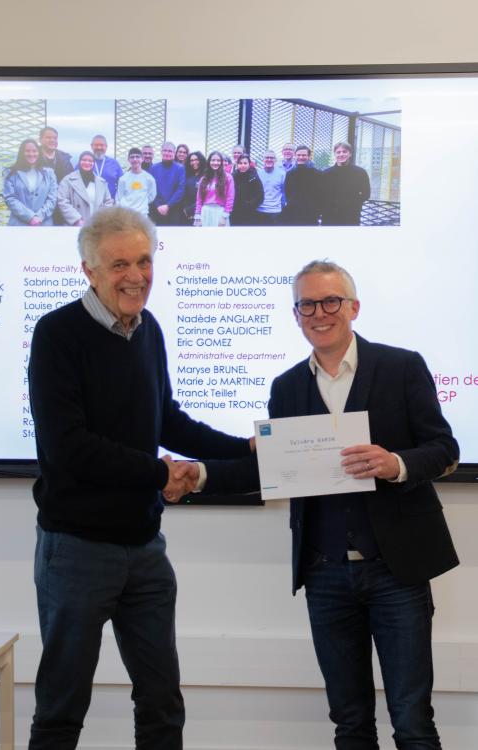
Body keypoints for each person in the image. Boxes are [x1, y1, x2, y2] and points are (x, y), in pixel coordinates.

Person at [191, 259, 460, 750]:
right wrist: (199, 475)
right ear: (296, 315)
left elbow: (445, 449)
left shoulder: (402, 367)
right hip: (325, 574)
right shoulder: (286, 387)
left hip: (397, 570)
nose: (319, 313)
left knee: (412, 721)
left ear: (353, 307)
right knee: (349, 722)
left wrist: (395, 463)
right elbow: (267, 467)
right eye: (307, 305)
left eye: (331, 301)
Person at [27, 206, 253, 750]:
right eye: (120, 265)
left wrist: (244, 451)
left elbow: (166, 418)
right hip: (77, 550)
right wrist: (158, 472)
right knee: (61, 708)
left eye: (145, 261)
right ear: (89, 271)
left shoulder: (148, 328)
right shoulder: (57, 334)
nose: (136, 276)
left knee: (162, 704)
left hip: (145, 549)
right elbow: (69, 447)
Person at [3, 139, 57, 226]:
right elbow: (10, 198)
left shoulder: (49, 173)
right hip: (19, 224)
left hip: (43, 223)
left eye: (34, 151)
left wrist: (39, 217)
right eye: (27, 151)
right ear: (22, 153)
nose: (31, 154)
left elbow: (52, 199)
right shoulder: (10, 173)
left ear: (39, 153)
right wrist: (30, 217)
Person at [321, 141, 371, 225]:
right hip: (330, 216)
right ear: (335, 154)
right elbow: (321, 194)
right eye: (338, 152)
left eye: (344, 151)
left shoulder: (360, 173)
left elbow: (366, 193)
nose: (341, 154)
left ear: (350, 154)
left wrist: (354, 205)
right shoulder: (326, 173)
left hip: (351, 215)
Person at [57, 151, 113, 226]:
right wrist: (76, 220)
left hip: (96, 225)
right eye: (84, 160)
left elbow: (108, 202)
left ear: (94, 163)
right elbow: (62, 201)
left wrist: (101, 219)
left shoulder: (101, 182)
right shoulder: (67, 180)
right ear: (79, 162)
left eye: (90, 161)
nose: (87, 163)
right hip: (74, 225)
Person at [37, 126, 74, 225]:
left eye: (55, 138)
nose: (52, 140)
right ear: (40, 140)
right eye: (48, 137)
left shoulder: (65, 159)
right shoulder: (33, 157)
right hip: (39, 208)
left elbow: (72, 181)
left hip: (60, 207)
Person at [194, 150, 234, 226]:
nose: (215, 163)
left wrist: (224, 216)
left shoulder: (228, 178)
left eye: (218, 160)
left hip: (220, 212)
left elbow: (230, 198)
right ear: (209, 162)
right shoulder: (204, 179)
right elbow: (199, 199)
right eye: (213, 160)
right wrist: (198, 216)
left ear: (221, 162)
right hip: (205, 212)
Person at [283, 145, 321, 225]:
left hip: (310, 214)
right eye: (299, 155)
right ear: (295, 156)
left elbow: (319, 194)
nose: (301, 157)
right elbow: (287, 193)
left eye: (304, 155)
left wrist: (317, 212)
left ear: (309, 156)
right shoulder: (290, 174)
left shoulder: (317, 174)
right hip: (293, 213)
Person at [150, 142, 185, 225]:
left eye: (170, 151)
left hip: (174, 209)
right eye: (165, 150)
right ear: (161, 152)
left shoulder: (180, 168)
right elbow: (151, 189)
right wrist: (158, 205)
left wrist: (168, 205)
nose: (167, 153)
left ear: (174, 153)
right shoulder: (153, 168)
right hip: (157, 209)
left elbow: (180, 189)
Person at [116, 147, 157, 216]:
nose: (135, 159)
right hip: (126, 215)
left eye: (137, 157)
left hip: (142, 215)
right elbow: (119, 197)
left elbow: (152, 196)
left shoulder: (149, 179)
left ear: (142, 159)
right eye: (132, 157)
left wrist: (142, 203)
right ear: (128, 160)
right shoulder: (123, 179)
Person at [231, 154, 264, 225]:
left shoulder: (254, 177)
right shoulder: (233, 176)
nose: (243, 165)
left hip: (250, 213)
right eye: (240, 163)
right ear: (237, 164)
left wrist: (249, 205)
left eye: (245, 163)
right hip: (235, 213)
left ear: (249, 164)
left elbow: (260, 196)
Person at [255, 150, 286, 225]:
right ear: (263, 159)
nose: (269, 159)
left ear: (275, 160)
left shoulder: (282, 174)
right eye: (267, 157)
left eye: (272, 158)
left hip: (276, 212)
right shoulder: (257, 174)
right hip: (260, 211)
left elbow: (284, 192)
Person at [90, 134, 123, 200]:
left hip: (110, 203)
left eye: (102, 145)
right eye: (96, 145)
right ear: (91, 146)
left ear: (106, 147)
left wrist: (117, 199)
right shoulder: (85, 162)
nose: (99, 147)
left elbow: (122, 184)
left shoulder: (114, 163)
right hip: (90, 203)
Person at [182, 150, 207, 225]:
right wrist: (185, 210)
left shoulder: (206, 176)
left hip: (201, 212)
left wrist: (191, 209)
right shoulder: (186, 175)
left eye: (196, 160)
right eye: (191, 160)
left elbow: (206, 197)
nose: (194, 162)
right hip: (186, 214)